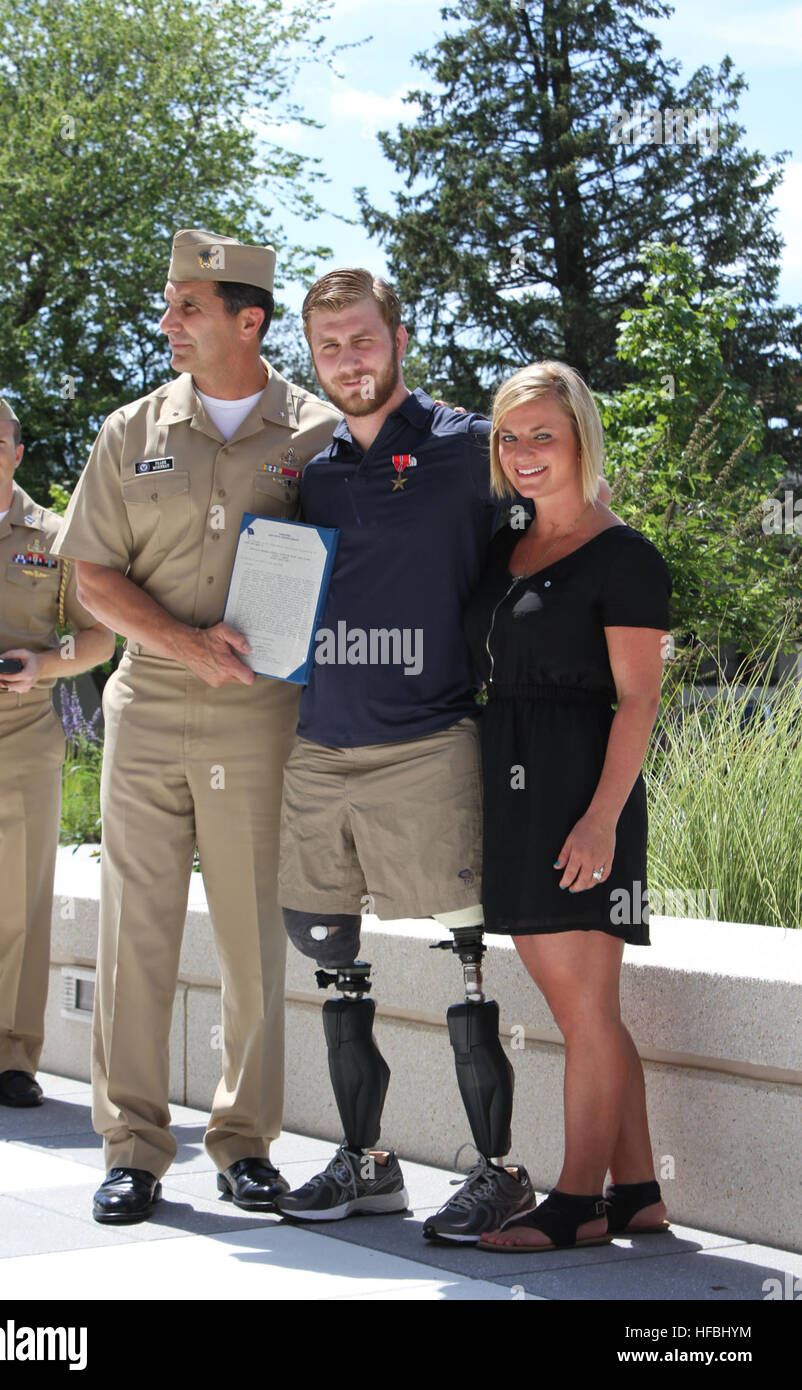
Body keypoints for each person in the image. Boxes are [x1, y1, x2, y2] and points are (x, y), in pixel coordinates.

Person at [51, 229, 340, 1224]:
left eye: (187, 307)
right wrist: (183, 643)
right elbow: (91, 576)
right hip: (149, 712)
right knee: (137, 929)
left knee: (256, 936)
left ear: (247, 320)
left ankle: (244, 1142)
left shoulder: (315, 434)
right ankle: (130, 1147)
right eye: (168, 303)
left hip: (263, 721)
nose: (167, 321)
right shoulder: (131, 431)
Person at [274, 269, 537, 1243]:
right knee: (333, 964)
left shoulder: (473, 446)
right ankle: (366, 1161)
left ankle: (500, 1172)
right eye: (328, 345)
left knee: (464, 963)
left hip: (429, 741)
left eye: (361, 338)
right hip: (315, 747)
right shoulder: (313, 468)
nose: (347, 358)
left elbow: (559, 529)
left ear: (397, 335)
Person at [461, 361, 672, 1251]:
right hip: (514, 786)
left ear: (582, 435)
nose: (523, 454)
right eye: (510, 437)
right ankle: (639, 1192)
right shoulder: (507, 538)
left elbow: (640, 702)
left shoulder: (625, 555)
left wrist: (599, 821)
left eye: (543, 434)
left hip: (582, 796)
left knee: (581, 1009)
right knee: (591, 1007)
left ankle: (576, 1201)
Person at [0, 383, 113, 1109]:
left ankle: (12, 1057)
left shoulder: (58, 537)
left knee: (20, 903)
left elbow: (100, 633)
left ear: (17, 451)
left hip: (23, 734)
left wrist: (49, 665)